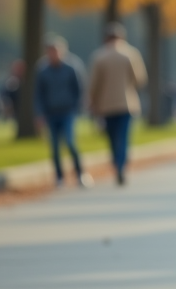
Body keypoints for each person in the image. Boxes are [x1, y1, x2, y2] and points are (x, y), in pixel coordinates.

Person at [88, 22, 148, 186]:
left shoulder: (99, 56)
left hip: (106, 105)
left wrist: (93, 101)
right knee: (123, 135)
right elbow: (140, 79)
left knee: (112, 137)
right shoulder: (131, 53)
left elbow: (94, 84)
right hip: (126, 103)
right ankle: (122, 164)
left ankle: (116, 161)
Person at [35, 35, 91, 188]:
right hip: (51, 112)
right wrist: (39, 113)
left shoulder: (72, 67)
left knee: (70, 142)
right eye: (50, 51)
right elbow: (39, 94)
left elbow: (79, 89)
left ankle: (80, 173)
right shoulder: (43, 70)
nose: (53, 54)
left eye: (56, 51)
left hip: (68, 112)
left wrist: (77, 107)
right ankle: (59, 177)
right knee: (54, 147)